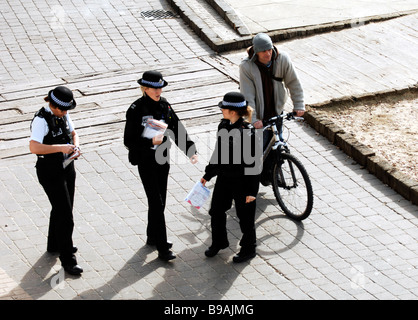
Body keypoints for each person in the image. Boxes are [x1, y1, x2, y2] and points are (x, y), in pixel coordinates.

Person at [124, 70, 198, 261]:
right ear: (145, 88)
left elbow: (177, 127)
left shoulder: (165, 105)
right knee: (156, 203)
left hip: (162, 160)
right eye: (155, 88)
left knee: (160, 201)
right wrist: (150, 143)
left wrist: (190, 150)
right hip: (145, 161)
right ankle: (162, 248)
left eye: (160, 87)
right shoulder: (135, 109)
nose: (158, 91)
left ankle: (152, 236)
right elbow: (129, 140)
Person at [201, 92, 261, 263]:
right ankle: (219, 242)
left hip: (243, 182)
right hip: (224, 178)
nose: (221, 111)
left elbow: (255, 164)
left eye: (224, 108)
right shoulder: (223, 126)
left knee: (246, 217)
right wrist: (208, 174)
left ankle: (249, 248)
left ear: (233, 111)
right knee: (216, 211)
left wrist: (251, 191)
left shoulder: (247, 133)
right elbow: (218, 153)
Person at [29, 86, 83, 276]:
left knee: (62, 208)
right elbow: (34, 147)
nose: (65, 113)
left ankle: (54, 244)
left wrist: (75, 147)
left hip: (67, 167)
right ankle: (67, 259)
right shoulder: (40, 120)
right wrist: (61, 148)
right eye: (62, 109)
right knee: (66, 215)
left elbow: (73, 133)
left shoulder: (63, 114)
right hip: (50, 171)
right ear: (52, 105)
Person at [239, 32, 305, 184]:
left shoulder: (282, 59)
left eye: (269, 49)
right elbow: (247, 96)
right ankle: (248, 181)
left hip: (276, 112)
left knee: (277, 146)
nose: (268, 53)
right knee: (258, 150)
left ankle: (272, 174)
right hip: (259, 115)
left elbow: (294, 83)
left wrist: (299, 105)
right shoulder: (246, 66)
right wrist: (253, 119)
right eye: (263, 51)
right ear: (256, 51)